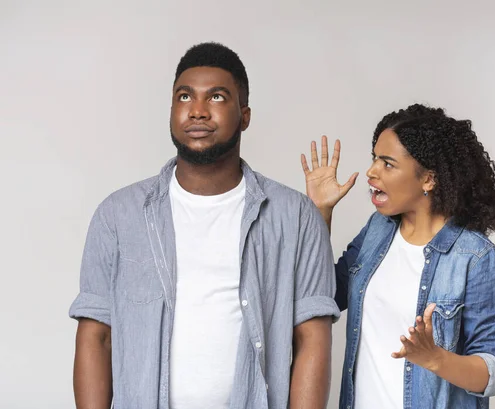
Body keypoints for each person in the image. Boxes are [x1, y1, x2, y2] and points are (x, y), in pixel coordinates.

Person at [69, 42, 340, 409]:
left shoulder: (294, 216)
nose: (197, 111)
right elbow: (96, 336)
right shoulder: (117, 215)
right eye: (184, 97)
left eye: (216, 97)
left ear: (244, 116)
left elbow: (312, 339)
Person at [301, 104, 495, 409]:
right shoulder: (379, 229)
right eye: (375, 158)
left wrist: (435, 358)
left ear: (429, 179)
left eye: (388, 163)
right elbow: (325, 295)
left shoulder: (476, 259)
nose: (372, 172)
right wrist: (321, 212)